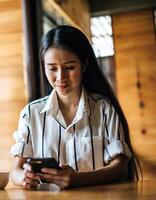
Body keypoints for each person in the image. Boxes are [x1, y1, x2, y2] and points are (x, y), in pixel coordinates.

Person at [10, 25, 141, 190]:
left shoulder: (104, 109)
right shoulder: (30, 114)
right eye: (52, 68)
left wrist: (78, 179)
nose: (60, 77)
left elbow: (120, 169)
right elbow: (15, 170)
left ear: (84, 65)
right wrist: (23, 176)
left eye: (70, 68)